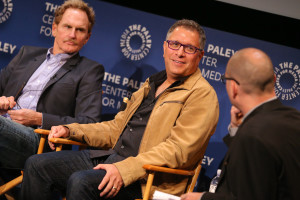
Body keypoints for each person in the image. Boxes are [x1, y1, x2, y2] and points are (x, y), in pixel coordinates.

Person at [20, 19, 219, 200]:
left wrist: (125, 170)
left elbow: (178, 151)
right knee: (37, 165)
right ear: (165, 48)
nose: (180, 52)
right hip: (111, 159)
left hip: (146, 179)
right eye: (175, 44)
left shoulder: (202, 94)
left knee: (81, 182)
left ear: (200, 56)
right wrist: (71, 129)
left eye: (189, 48)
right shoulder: (152, 83)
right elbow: (115, 129)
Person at [0, 0, 104, 182]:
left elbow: (89, 123)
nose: (72, 34)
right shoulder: (27, 54)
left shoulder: (89, 70)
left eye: (80, 30)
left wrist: (39, 118)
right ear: (54, 28)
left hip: (38, 142)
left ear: (87, 37)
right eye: (67, 27)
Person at [180, 48, 300, 200]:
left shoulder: (252, 134)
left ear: (234, 87)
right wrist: (237, 132)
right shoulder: (294, 119)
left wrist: (202, 198)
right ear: (274, 80)